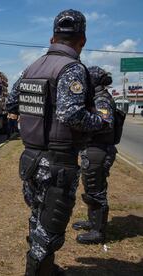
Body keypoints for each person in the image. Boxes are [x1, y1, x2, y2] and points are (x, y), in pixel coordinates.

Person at [6, 9, 110, 275]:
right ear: (82, 40)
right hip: (57, 162)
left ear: (53, 37)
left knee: (38, 216)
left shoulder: (32, 66)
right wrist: (100, 120)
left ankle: (46, 268)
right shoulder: (72, 68)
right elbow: (71, 114)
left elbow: (11, 102)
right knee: (51, 225)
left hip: (30, 158)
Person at [72, 66, 118, 244]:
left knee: (96, 190)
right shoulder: (95, 97)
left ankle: (98, 231)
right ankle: (92, 222)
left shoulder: (101, 99)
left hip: (99, 149)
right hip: (93, 149)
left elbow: (105, 123)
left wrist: (80, 122)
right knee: (91, 188)